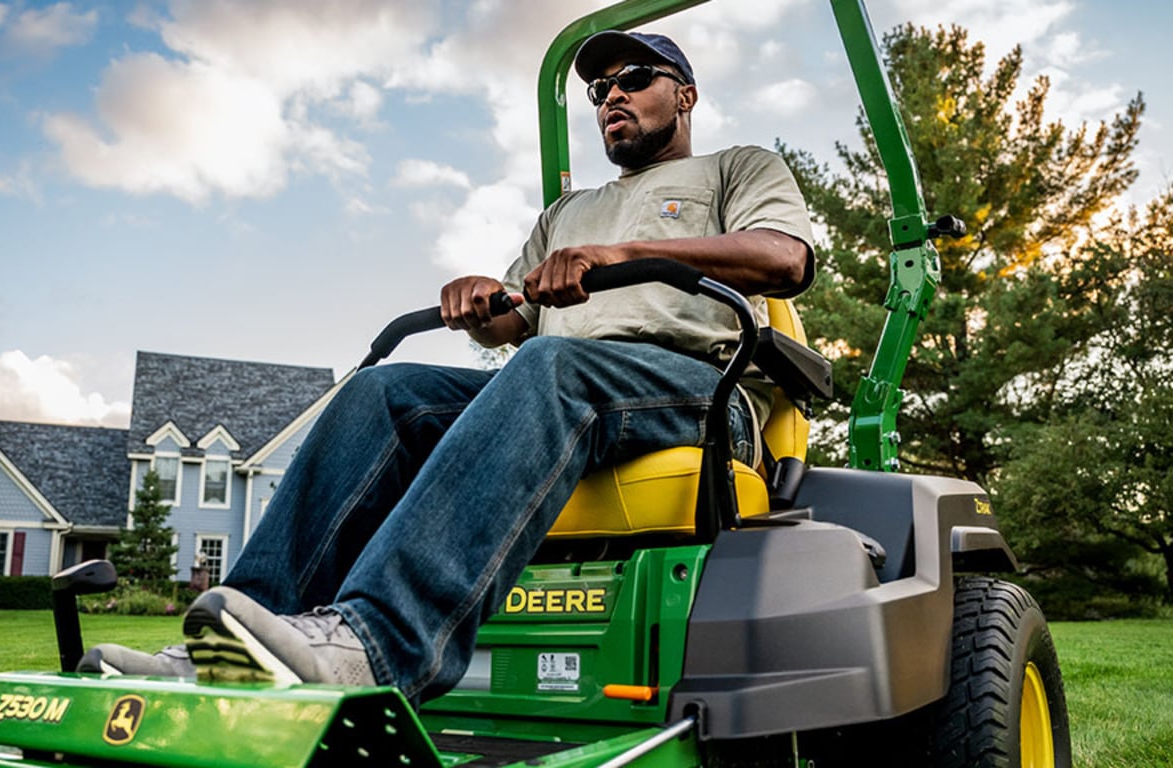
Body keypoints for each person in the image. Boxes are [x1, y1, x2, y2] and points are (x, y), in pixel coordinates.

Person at [81, 30, 815, 705]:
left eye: (632, 77)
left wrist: (621, 258)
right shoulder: (566, 214)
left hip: (693, 391)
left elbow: (784, 258)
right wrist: (477, 303)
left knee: (550, 365)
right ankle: (237, 643)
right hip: (568, 386)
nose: (611, 96)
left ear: (684, 93)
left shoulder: (735, 168)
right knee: (385, 391)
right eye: (597, 90)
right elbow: (512, 322)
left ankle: (379, 643)